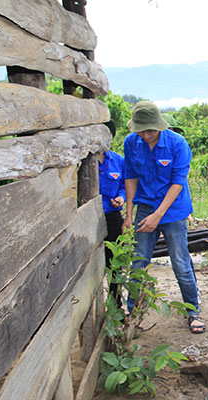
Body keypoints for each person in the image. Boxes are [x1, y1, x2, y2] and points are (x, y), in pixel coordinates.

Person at [122, 101, 205, 334]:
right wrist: (128, 215)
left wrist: (158, 216)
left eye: (150, 130)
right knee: (139, 260)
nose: (146, 134)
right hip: (145, 207)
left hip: (173, 210)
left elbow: (178, 183)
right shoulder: (131, 143)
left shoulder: (178, 145)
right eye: (141, 130)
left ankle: (193, 311)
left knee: (180, 262)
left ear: (160, 126)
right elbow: (130, 177)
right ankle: (131, 312)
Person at [98, 121, 125, 308]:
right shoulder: (81, 162)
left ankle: (115, 306)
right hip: (88, 219)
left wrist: (122, 198)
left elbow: (124, 184)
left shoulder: (117, 160)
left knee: (114, 263)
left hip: (112, 218)